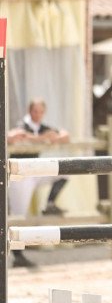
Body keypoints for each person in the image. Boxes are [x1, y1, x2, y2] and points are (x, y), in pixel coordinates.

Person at [8, 98, 70, 267]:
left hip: (34, 170)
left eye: (40, 112)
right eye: (35, 111)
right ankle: (18, 255)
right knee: (19, 217)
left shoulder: (42, 127)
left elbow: (65, 135)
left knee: (65, 171)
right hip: (20, 175)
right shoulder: (22, 124)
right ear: (30, 111)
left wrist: (56, 137)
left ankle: (49, 203)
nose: (38, 115)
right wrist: (43, 138)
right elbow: (12, 136)